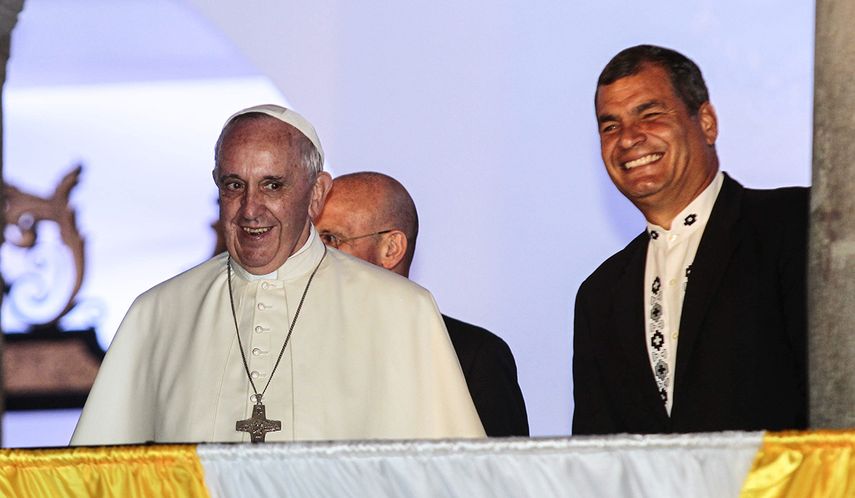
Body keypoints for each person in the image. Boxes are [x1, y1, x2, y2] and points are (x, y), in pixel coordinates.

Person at [71, 105, 485, 445]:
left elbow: (455, 478)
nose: (251, 209)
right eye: (234, 185)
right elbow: (97, 477)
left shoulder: (400, 311)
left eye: (273, 186)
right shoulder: (158, 313)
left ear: (316, 194)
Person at [573, 45, 808, 434]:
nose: (629, 139)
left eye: (650, 115)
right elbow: (597, 458)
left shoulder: (793, 225)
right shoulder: (599, 296)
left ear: (707, 122)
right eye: (610, 126)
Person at [316, 172, 529, 437]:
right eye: (311, 243)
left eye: (330, 239)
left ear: (391, 249)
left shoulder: (474, 357)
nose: (316, 257)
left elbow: (501, 474)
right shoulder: (302, 346)